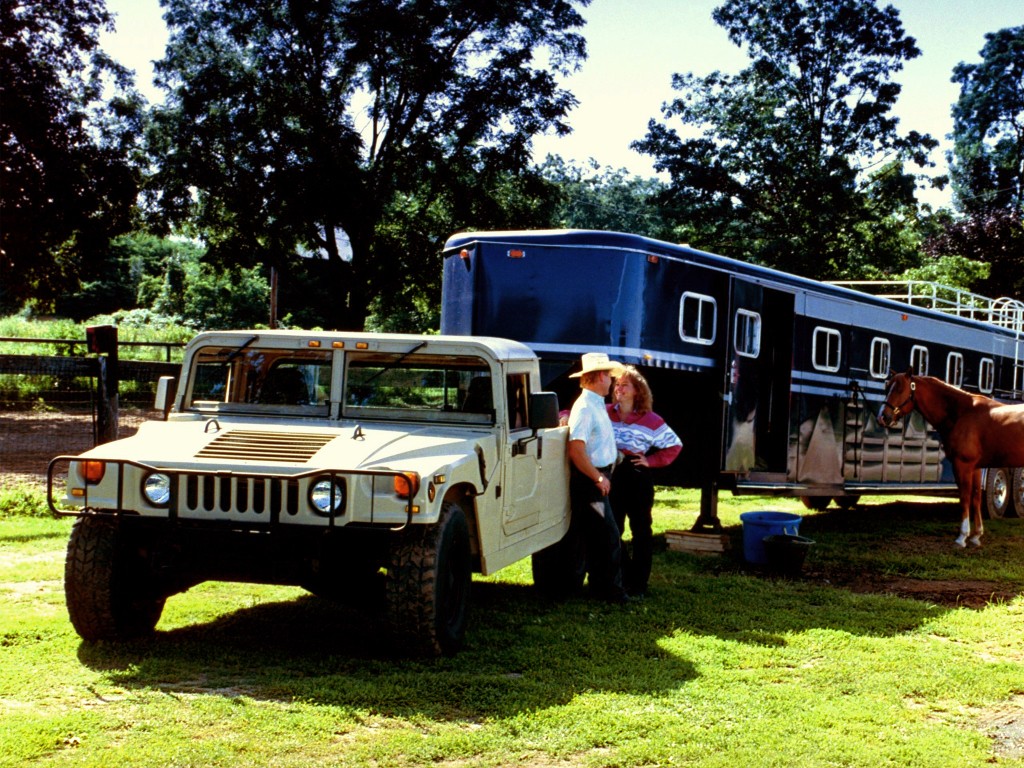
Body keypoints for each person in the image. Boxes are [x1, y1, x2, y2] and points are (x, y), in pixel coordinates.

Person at [607, 365, 682, 598]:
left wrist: (650, 461)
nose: (618, 389)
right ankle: (621, 577)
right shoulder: (604, 411)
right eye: (616, 385)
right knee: (613, 529)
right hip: (612, 473)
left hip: (636, 475)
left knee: (640, 531)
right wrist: (564, 415)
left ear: (638, 390)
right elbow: (572, 413)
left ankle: (639, 584)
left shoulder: (651, 420)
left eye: (624, 385)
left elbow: (674, 445)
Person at [565, 352, 631, 604]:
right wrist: (597, 478)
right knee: (608, 535)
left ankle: (599, 588)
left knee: (598, 535)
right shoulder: (584, 407)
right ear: (598, 376)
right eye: (608, 376)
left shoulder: (594, 404)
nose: (612, 381)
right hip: (590, 483)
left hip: (598, 478)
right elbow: (576, 449)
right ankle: (611, 592)